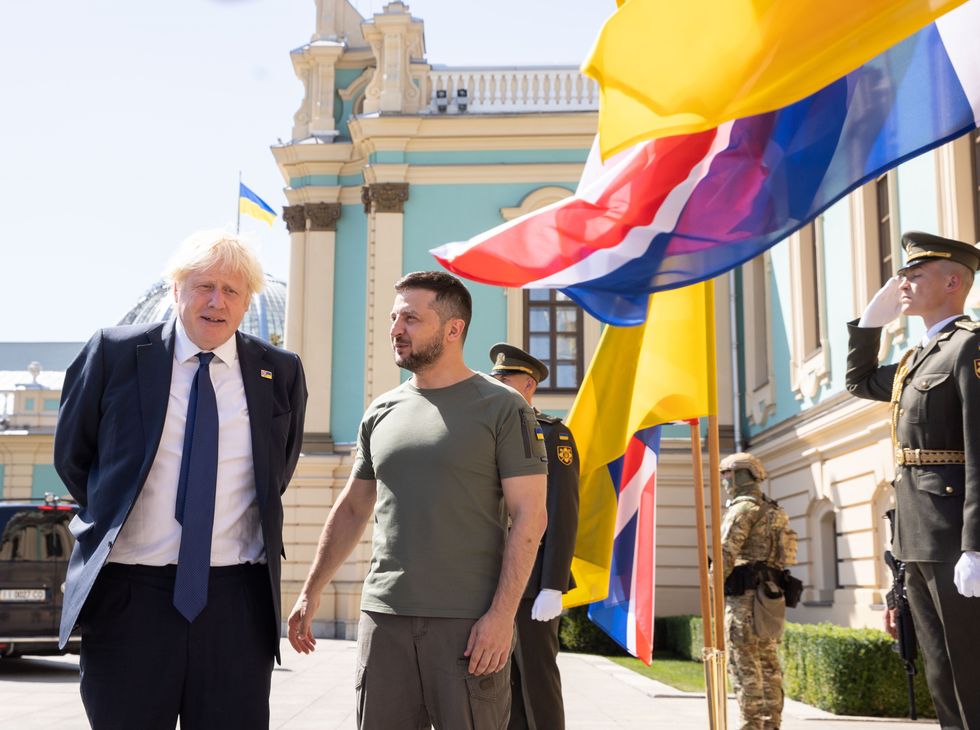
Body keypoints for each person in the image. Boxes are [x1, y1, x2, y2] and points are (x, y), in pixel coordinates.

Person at [54, 231, 308, 729]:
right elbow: (73, 457)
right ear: (176, 290)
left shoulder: (279, 371)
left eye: (232, 290)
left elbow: (276, 471)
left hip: (236, 607)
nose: (217, 302)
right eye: (204, 286)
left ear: (247, 301)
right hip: (130, 601)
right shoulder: (114, 353)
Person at [287, 271, 548, 730]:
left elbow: (530, 516)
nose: (395, 329)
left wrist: (501, 616)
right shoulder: (380, 411)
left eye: (410, 318)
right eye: (393, 318)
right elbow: (353, 507)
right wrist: (311, 591)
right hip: (384, 621)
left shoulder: (504, 408)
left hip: (468, 626)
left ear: (453, 329)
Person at [846, 230, 980, 729]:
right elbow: (859, 381)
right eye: (902, 275)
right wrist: (869, 324)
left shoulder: (968, 346)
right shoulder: (915, 359)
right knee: (940, 672)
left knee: (970, 670)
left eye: (915, 275)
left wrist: (975, 545)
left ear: (952, 282)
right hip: (917, 534)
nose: (902, 283)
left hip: (954, 536)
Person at [488, 343, 579, 730]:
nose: (497, 387)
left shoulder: (552, 435)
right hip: (491, 578)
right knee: (499, 682)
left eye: (505, 380)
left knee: (536, 681)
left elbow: (563, 512)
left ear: (528, 385)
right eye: (494, 380)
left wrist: (553, 584)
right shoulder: (488, 431)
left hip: (532, 584)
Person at [719, 452, 795, 730]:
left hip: (744, 602)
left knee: (745, 669)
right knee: (769, 668)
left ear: (740, 476)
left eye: (726, 475)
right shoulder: (776, 511)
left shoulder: (741, 510)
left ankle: (751, 726)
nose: (724, 481)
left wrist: (711, 588)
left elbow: (725, 555)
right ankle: (771, 724)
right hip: (770, 599)